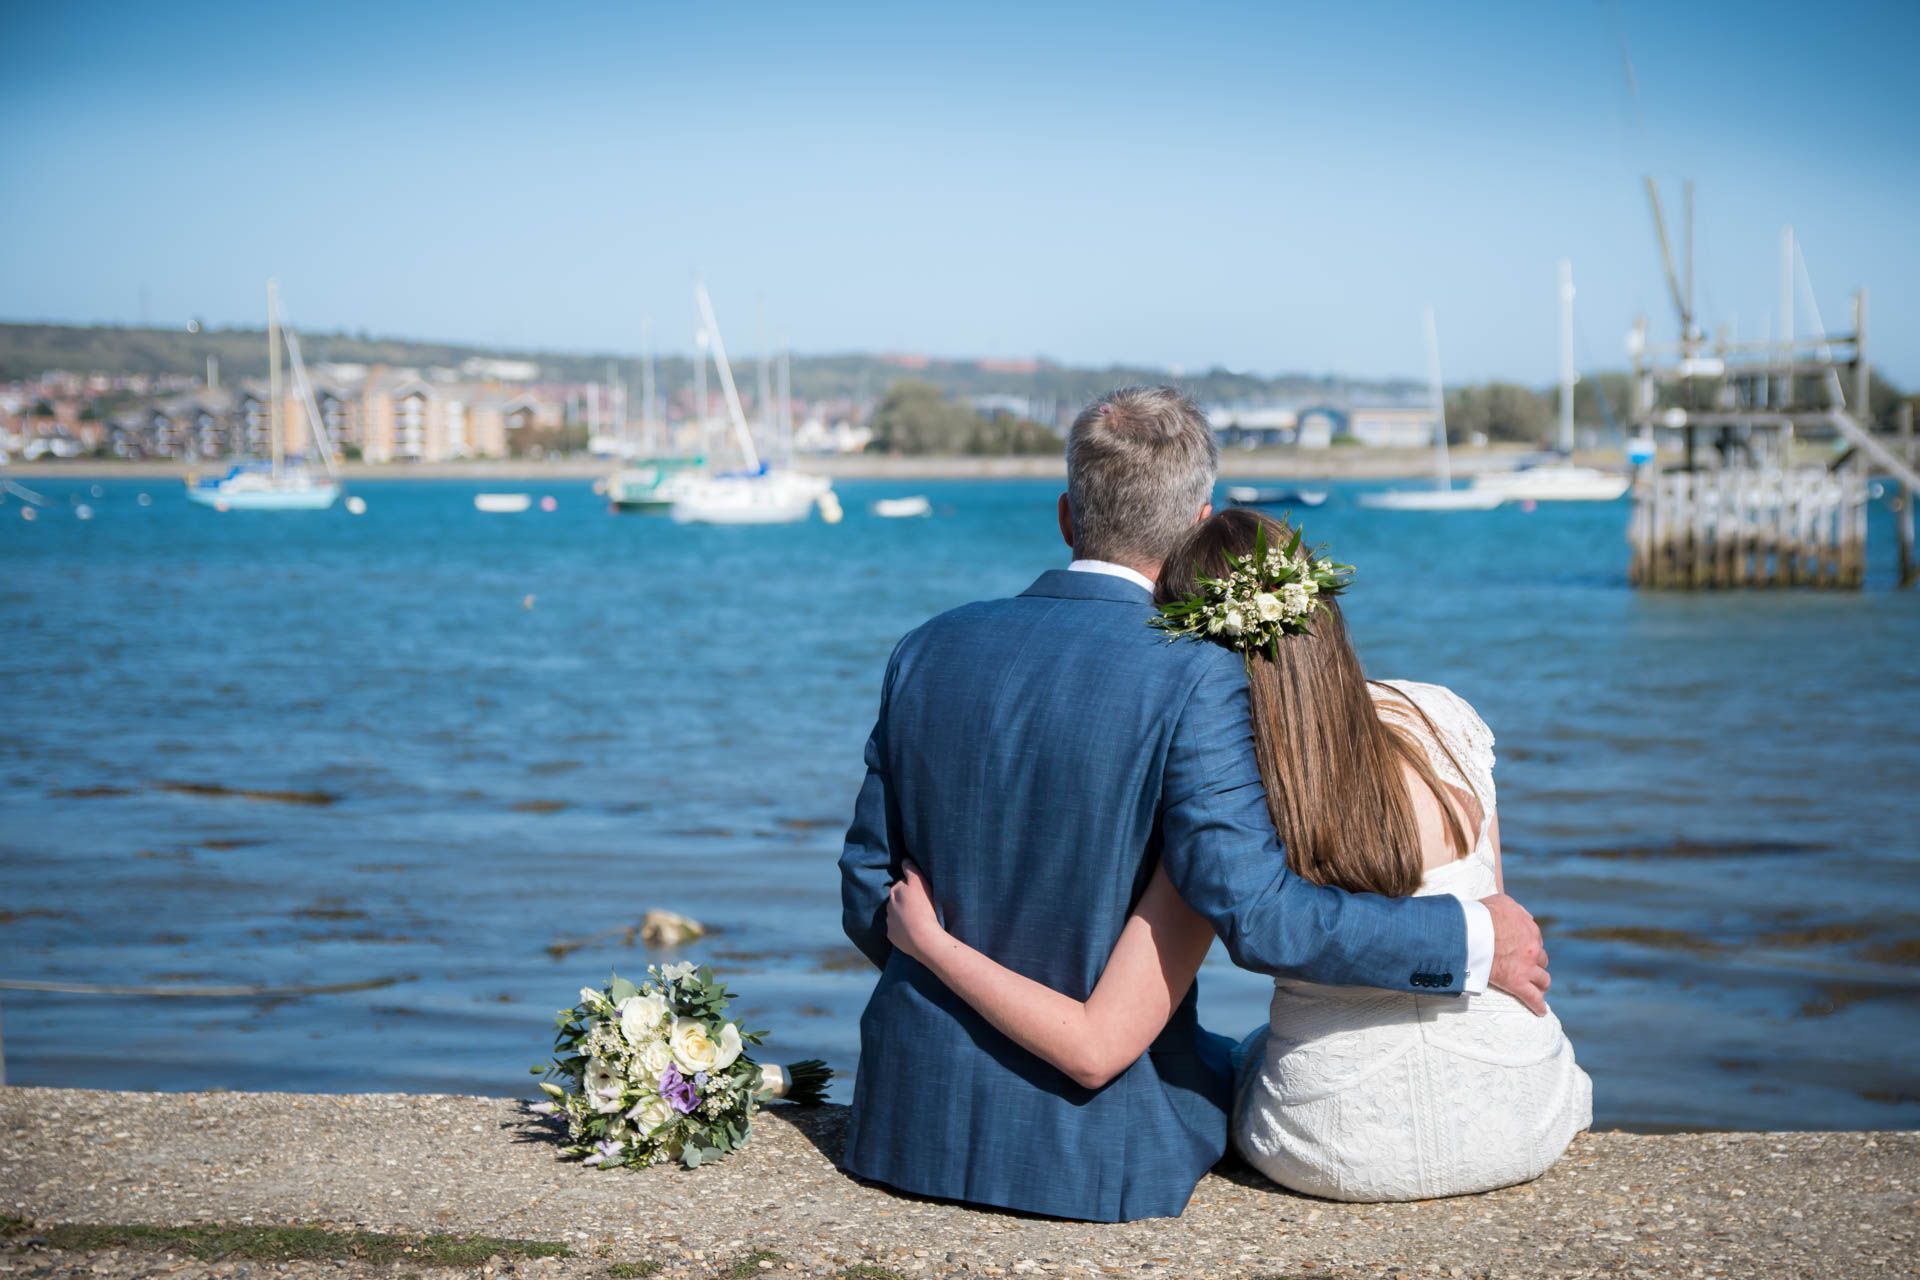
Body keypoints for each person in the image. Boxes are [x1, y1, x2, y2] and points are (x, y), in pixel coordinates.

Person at [837, 386, 1549, 1222]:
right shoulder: (1202, 678)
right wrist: (1470, 939)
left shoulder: (924, 649)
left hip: (904, 1121)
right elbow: (1257, 914)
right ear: (1197, 519)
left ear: (1068, 516)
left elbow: (864, 898)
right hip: (1097, 1152)